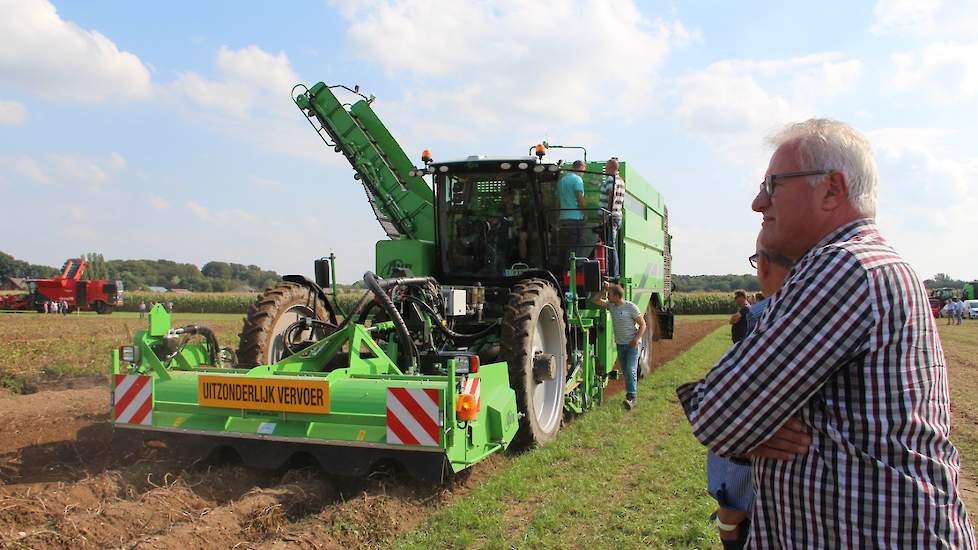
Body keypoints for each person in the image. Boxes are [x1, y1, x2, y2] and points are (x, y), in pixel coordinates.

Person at [677, 118, 974, 547]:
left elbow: (719, 416)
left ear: (832, 189)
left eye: (773, 184)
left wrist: (750, 424)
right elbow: (733, 418)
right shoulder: (865, 262)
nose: (758, 202)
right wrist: (750, 423)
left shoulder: (844, 266)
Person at [707, 237, 793, 550]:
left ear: (765, 265)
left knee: (732, 522)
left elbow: (722, 409)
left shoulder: (761, 314)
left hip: (753, 484)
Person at [591, 282, 646, 410]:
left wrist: (636, 339)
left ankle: (632, 397)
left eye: (610, 294)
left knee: (630, 368)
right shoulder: (611, 306)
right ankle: (630, 394)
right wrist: (604, 290)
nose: (608, 297)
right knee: (626, 371)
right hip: (621, 345)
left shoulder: (631, 307)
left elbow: (643, 325)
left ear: (617, 296)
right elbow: (595, 300)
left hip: (633, 344)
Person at [555, 160, 587, 269]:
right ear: (581, 168)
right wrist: (585, 212)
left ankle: (562, 269)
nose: (583, 173)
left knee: (564, 246)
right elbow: (579, 198)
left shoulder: (561, 181)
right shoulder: (578, 180)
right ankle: (572, 270)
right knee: (576, 245)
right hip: (575, 218)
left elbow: (557, 201)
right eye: (583, 171)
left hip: (563, 218)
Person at [600, 158, 625, 278]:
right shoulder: (621, 181)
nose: (605, 169)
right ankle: (613, 272)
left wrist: (606, 214)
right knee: (611, 244)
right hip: (617, 215)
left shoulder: (611, 180)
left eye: (606, 166)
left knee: (610, 245)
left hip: (611, 216)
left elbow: (612, 195)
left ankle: (613, 273)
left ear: (610, 167)